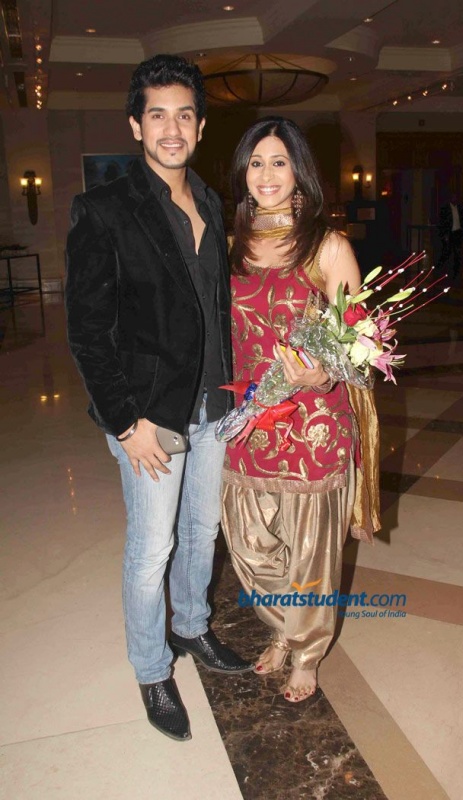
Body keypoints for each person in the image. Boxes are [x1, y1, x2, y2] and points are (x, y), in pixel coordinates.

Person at [65, 54, 252, 743]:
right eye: (157, 116)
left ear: (199, 127)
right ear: (135, 126)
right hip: (149, 415)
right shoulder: (105, 209)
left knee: (202, 532)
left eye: (184, 115)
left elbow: (215, 306)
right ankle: (151, 669)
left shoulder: (210, 201)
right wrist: (125, 423)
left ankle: (192, 627)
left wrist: (237, 394)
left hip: (211, 409)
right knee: (152, 548)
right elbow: (87, 331)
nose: (171, 129)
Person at [221, 117, 380, 703]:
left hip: (315, 426)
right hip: (249, 421)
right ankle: (283, 626)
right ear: (243, 172)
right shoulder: (231, 246)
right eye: (256, 162)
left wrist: (324, 371)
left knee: (311, 552)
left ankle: (305, 652)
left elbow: (360, 346)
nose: (266, 174)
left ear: (299, 173)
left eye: (279, 162)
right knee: (248, 544)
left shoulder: (327, 246)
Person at [436, 193, 463, 279]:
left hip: (457, 233)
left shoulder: (459, 208)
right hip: (450, 233)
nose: (455, 199)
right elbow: (442, 222)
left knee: (457, 254)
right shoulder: (445, 208)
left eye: (456, 197)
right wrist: (445, 234)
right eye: (453, 197)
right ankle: (441, 270)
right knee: (447, 253)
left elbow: (462, 220)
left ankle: (456, 273)